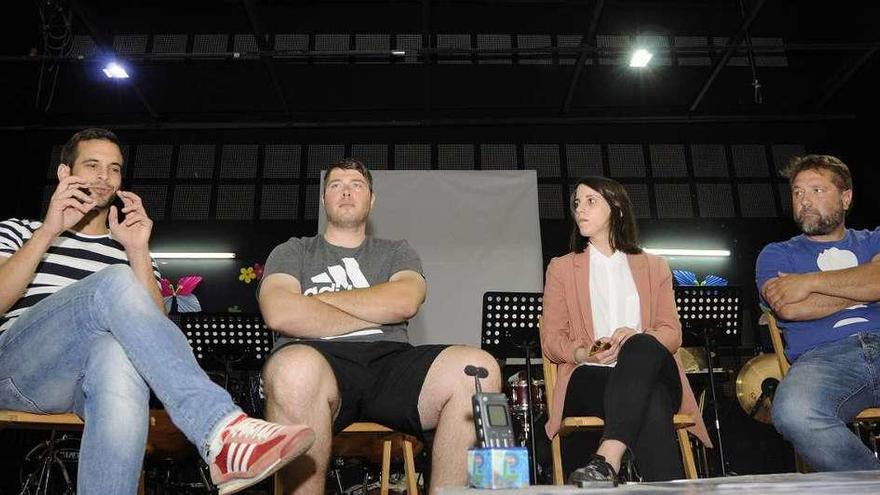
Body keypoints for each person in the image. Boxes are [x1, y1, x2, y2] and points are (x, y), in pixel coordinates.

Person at [0, 128, 315, 495]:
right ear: (64, 174)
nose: (104, 178)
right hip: (17, 370)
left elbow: (152, 337)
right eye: (92, 165)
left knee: (119, 355)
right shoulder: (21, 231)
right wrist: (49, 232)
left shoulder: (133, 256)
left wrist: (137, 252)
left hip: (82, 382)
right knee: (115, 281)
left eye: (114, 169)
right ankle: (220, 429)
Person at [258, 158, 501, 494]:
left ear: (371, 200)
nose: (346, 191)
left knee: (478, 369)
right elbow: (280, 313)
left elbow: (405, 302)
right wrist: (376, 306)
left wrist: (316, 304)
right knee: (293, 369)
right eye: (336, 184)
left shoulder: (396, 251)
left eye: (356, 184)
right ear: (323, 198)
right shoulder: (293, 251)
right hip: (316, 361)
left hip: (389, 361)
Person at [541, 176, 710, 484]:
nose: (580, 209)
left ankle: (607, 458)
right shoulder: (562, 268)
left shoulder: (654, 265)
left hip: (653, 368)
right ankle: (666, 487)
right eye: (577, 202)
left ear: (616, 208)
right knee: (653, 397)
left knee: (641, 345)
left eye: (591, 201)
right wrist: (583, 353)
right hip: (591, 375)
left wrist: (637, 337)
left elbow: (672, 333)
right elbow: (552, 339)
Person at [757, 154, 880, 471]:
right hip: (824, 357)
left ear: (846, 197)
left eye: (816, 190)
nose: (804, 201)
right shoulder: (776, 254)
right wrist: (863, 287)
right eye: (797, 192)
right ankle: (868, 484)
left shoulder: (875, 238)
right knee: (794, 411)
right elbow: (789, 307)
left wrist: (808, 282)